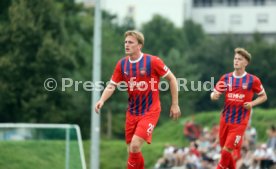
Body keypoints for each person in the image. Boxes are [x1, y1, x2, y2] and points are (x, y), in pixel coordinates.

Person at [95, 30, 181, 169]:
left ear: (139, 45)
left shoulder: (153, 61)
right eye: (125, 42)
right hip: (132, 112)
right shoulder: (122, 64)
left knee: (135, 145)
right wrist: (102, 100)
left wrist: (175, 104)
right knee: (131, 151)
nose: (126, 45)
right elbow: (112, 85)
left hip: (150, 111)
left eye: (130, 42)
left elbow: (172, 78)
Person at [210, 48, 267, 169]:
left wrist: (252, 103)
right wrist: (213, 96)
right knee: (225, 152)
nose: (236, 61)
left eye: (239, 59)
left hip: (239, 123)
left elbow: (263, 96)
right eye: (235, 58)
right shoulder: (226, 78)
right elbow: (214, 93)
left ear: (245, 63)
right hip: (225, 119)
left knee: (226, 151)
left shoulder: (253, 80)